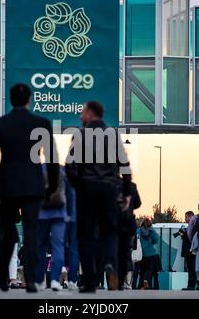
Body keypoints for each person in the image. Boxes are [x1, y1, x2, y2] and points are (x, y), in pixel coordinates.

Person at [0, 83, 59, 292]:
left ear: (10, 99)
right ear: (29, 100)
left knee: (7, 230)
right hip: (33, 185)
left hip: (8, 185)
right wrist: (51, 186)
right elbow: (52, 156)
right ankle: (32, 279)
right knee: (32, 232)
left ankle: (3, 278)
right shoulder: (41, 123)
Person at [65, 101, 132, 293]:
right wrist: (126, 192)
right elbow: (125, 165)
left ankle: (90, 280)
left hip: (87, 188)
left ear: (90, 113)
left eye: (82, 112)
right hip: (110, 189)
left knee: (85, 235)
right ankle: (110, 264)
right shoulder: (113, 135)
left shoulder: (80, 135)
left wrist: (79, 185)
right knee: (110, 231)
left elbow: (70, 166)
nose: (80, 116)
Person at [35, 166, 73, 291]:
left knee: (41, 247)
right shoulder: (62, 170)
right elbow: (68, 192)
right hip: (59, 213)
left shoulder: (38, 169)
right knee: (58, 247)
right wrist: (68, 213)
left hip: (42, 213)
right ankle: (55, 280)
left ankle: (40, 280)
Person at [118, 181, 141, 290]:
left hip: (113, 223)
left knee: (113, 253)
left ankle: (115, 281)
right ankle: (124, 282)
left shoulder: (109, 183)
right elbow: (138, 203)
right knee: (126, 254)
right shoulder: (131, 186)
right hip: (127, 223)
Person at [137, 219, 159, 289]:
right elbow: (156, 240)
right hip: (150, 253)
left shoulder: (139, 231)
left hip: (141, 254)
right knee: (149, 270)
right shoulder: (152, 231)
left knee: (142, 270)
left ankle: (140, 285)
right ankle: (147, 283)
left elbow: (135, 239)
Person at [180, 211, 196, 290]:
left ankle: (191, 285)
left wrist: (183, 235)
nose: (185, 219)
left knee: (191, 269)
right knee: (191, 268)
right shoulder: (192, 227)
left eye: (186, 217)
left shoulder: (192, 227)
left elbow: (190, 239)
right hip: (191, 251)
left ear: (190, 217)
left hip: (190, 251)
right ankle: (192, 285)